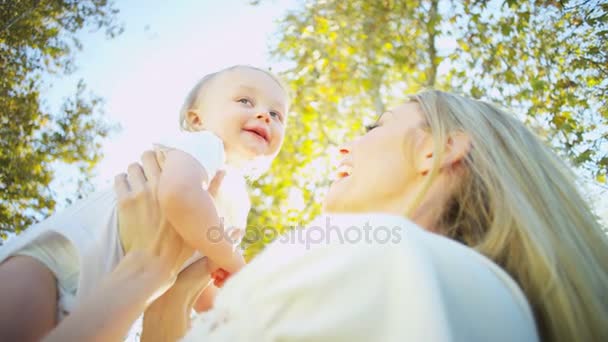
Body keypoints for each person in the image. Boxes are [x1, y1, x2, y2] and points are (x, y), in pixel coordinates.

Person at [17, 89, 608, 341]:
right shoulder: (482, 300)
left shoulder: (367, 257)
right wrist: (169, 297)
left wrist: (141, 271)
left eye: (375, 125)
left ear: (438, 149)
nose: (344, 147)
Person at [0, 65, 289, 341]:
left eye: (276, 114)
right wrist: (231, 260)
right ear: (197, 119)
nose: (264, 115)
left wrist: (235, 309)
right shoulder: (203, 145)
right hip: (52, 264)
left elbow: (194, 279)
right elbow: (180, 195)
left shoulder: (237, 201)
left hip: (102, 297)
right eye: (245, 100)